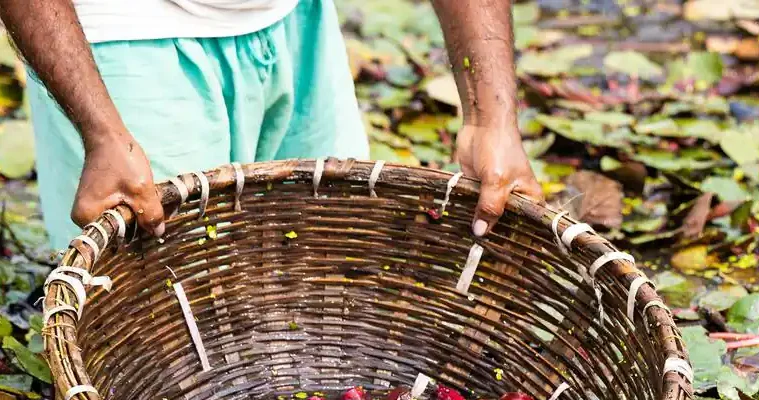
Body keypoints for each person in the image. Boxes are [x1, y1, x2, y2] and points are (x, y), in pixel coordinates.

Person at [0, 0, 542, 248]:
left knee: (333, 271)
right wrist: (102, 131)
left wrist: (490, 116)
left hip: (293, 17)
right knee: (164, 302)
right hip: (122, 28)